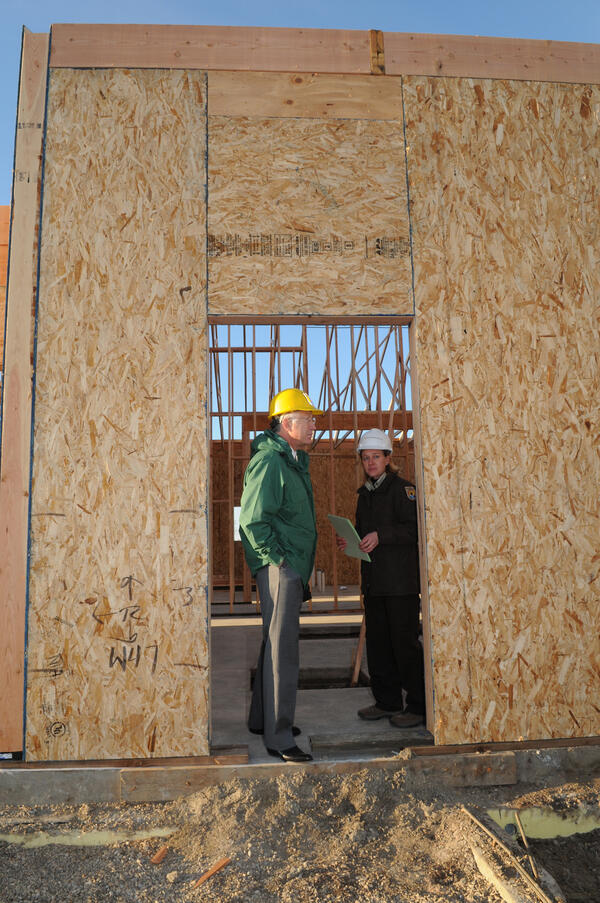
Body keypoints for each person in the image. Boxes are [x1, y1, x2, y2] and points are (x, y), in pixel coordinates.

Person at [239, 388, 323, 762]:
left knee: (272, 642)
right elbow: (253, 521)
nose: (314, 425)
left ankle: (263, 720)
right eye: (308, 419)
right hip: (280, 566)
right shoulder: (271, 462)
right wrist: (279, 563)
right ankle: (279, 737)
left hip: (287, 565)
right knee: (282, 650)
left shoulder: (290, 459)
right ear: (287, 423)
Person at [335, 428, 426, 728]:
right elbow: (367, 538)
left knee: (405, 645)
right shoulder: (365, 496)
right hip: (375, 584)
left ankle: (418, 705)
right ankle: (387, 701)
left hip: (401, 585)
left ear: (388, 459)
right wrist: (352, 542)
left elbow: (415, 531)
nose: (370, 462)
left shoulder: (404, 491)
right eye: (365, 458)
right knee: (378, 645)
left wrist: (381, 535)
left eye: (376, 457)